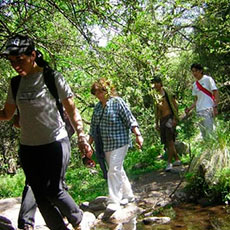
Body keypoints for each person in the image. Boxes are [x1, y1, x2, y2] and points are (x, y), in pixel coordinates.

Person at [0, 34, 92, 230]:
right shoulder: (15, 84)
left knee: (53, 190)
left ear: (32, 55)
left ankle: (78, 219)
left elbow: (72, 110)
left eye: (19, 59)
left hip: (55, 143)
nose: (15, 65)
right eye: (11, 61)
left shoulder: (52, 78)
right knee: (39, 196)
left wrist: (82, 137)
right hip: (28, 148)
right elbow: (7, 114)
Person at [89, 78, 143, 211]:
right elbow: (93, 128)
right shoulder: (97, 108)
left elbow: (130, 119)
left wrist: (138, 135)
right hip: (105, 145)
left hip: (120, 141)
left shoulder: (117, 102)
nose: (98, 95)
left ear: (106, 90)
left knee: (113, 170)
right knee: (117, 169)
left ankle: (114, 200)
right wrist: (87, 145)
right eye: (96, 93)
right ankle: (128, 195)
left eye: (100, 92)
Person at [151, 76, 181, 172]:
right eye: (154, 83)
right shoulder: (155, 96)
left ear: (161, 83)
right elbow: (156, 110)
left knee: (170, 141)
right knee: (167, 142)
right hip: (162, 120)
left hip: (170, 118)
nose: (155, 85)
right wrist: (156, 123)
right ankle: (177, 159)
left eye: (157, 83)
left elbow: (175, 104)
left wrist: (175, 118)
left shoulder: (167, 92)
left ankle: (169, 162)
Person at [185, 63, 219, 139]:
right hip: (199, 111)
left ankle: (215, 149)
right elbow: (197, 100)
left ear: (200, 71)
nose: (194, 73)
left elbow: (215, 92)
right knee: (204, 134)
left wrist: (215, 106)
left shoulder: (208, 79)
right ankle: (208, 149)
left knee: (210, 132)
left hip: (208, 109)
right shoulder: (195, 85)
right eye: (193, 71)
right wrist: (189, 109)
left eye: (196, 71)